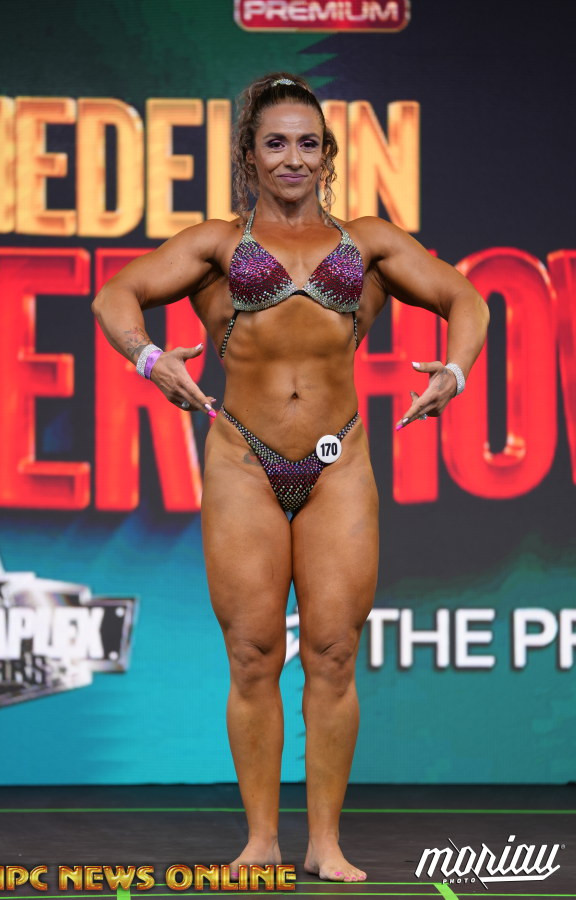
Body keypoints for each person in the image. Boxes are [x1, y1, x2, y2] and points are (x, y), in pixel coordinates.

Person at [92, 72, 489, 883]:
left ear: (328, 156)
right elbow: (115, 296)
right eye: (276, 143)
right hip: (244, 460)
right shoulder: (215, 245)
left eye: (308, 143)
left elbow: (468, 300)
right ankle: (262, 841)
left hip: (338, 464)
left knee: (334, 653)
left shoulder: (369, 243)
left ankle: (326, 844)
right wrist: (149, 357)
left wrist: (454, 372)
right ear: (250, 155)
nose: (293, 158)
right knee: (252, 653)